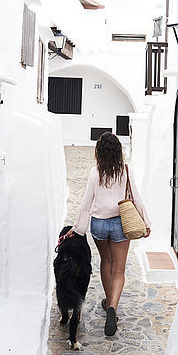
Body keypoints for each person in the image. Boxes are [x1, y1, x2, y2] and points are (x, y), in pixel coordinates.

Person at [65, 132, 151, 336]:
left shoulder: (95, 173)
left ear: (99, 152)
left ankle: (108, 299)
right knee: (119, 269)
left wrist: (77, 229)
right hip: (121, 223)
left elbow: (86, 204)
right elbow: (136, 199)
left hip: (99, 225)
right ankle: (112, 307)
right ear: (118, 151)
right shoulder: (125, 171)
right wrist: (146, 222)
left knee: (106, 262)